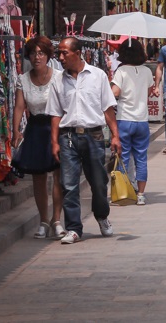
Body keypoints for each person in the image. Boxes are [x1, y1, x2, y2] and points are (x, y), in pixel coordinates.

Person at [47, 37, 121, 245]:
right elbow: (54, 114)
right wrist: (54, 142)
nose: (60, 58)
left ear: (78, 53)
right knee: (69, 185)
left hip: (94, 136)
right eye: (58, 53)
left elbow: (107, 108)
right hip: (68, 137)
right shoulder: (57, 81)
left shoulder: (97, 76)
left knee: (98, 183)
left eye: (64, 53)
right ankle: (73, 228)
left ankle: (101, 215)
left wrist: (115, 135)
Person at [12, 36, 64, 240]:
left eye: (41, 53)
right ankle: (43, 220)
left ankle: (57, 219)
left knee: (59, 177)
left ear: (48, 55)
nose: (37, 57)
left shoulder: (59, 77)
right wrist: (16, 130)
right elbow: (19, 106)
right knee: (39, 178)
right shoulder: (23, 79)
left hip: (57, 128)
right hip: (35, 129)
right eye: (33, 53)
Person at [111, 39, 154, 205]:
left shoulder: (121, 71)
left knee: (122, 157)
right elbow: (149, 91)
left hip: (124, 119)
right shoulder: (146, 71)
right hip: (142, 120)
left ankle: (123, 193)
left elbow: (115, 92)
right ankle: (141, 194)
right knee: (141, 158)